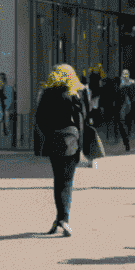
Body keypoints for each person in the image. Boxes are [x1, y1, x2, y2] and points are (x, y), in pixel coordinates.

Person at [34, 63, 87, 237]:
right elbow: (81, 121)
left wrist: (49, 133)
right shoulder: (73, 94)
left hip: (53, 140)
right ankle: (64, 218)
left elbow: (39, 119)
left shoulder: (47, 94)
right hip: (70, 140)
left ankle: (59, 218)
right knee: (67, 182)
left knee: (58, 180)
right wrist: (80, 144)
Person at [0, 71, 16, 148]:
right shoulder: (2, 88)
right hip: (2, 110)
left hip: (5, 110)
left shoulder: (7, 88)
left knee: (7, 127)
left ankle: (7, 144)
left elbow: (9, 100)